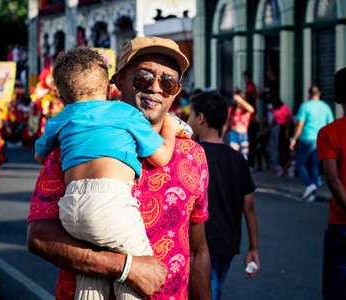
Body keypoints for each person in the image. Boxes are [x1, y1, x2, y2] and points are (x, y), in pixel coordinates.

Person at [27, 36, 211, 300]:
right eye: (144, 78)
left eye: (168, 82)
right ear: (118, 82)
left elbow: (197, 250)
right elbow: (40, 238)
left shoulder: (193, 155)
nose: (155, 88)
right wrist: (127, 268)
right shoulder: (72, 146)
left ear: (176, 92)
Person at [187, 91, 260, 300]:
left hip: (198, 245)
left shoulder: (191, 155)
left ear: (200, 118)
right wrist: (253, 248)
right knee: (213, 288)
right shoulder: (237, 159)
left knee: (204, 292)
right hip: (227, 244)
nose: (188, 120)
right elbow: (250, 207)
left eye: (191, 115)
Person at [317, 66, 346, 300]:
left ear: (338, 98)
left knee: (335, 293)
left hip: (342, 224)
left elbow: (333, 180)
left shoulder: (329, 133)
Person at [290, 86, 334, 201]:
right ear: (318, 94)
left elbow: (299, 124)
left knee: (300, 164)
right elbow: (330, 124)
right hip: (320, 140)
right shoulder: (325, 107)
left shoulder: (305, 106)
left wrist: (294, 138)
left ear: (309, 94)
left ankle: (310, 185)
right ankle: (312, 193)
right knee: (314, 165)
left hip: (306, 138)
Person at [224, 91, 255, 160]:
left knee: (244, 157)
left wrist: (240, 100)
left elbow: (252, 110)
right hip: (233, 134)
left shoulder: (246, 110)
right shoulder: (231, 110)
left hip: (244, 135)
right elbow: (226, 124)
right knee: (233, 157)